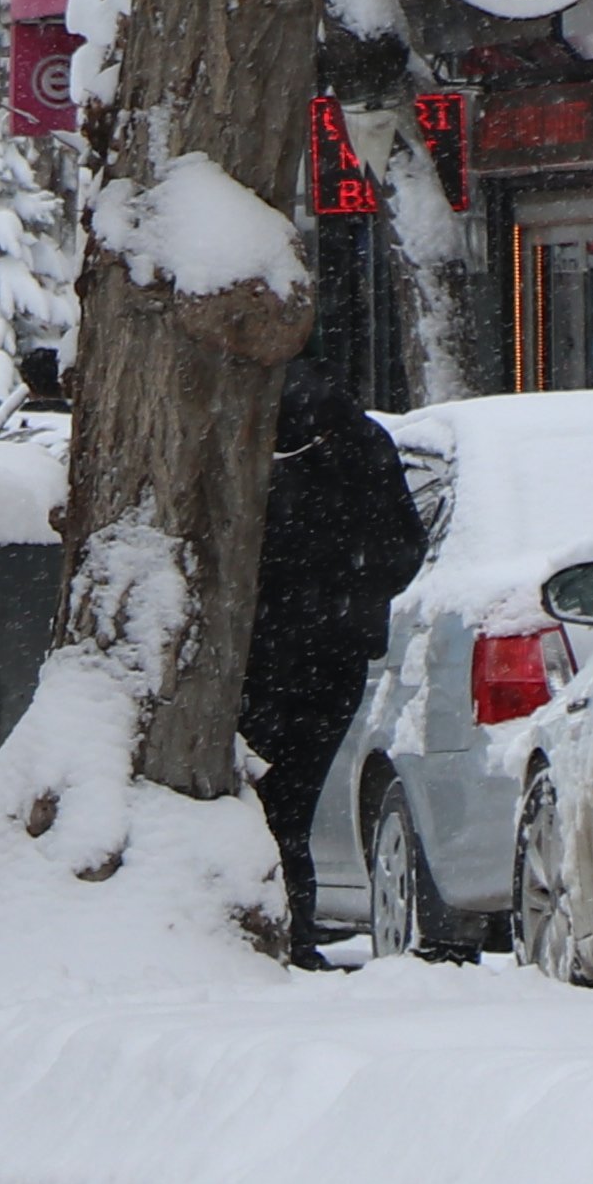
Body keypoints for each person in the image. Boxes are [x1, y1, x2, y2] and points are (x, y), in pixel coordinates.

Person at [240, 358, 429, 959]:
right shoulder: (360, 438)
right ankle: (294, 928)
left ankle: (273, 923)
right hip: (333, 652)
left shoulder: (241, 427)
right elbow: (405, 547)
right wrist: (351, 593)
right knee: (294, 803)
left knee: (253, 798)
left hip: (253, 652)